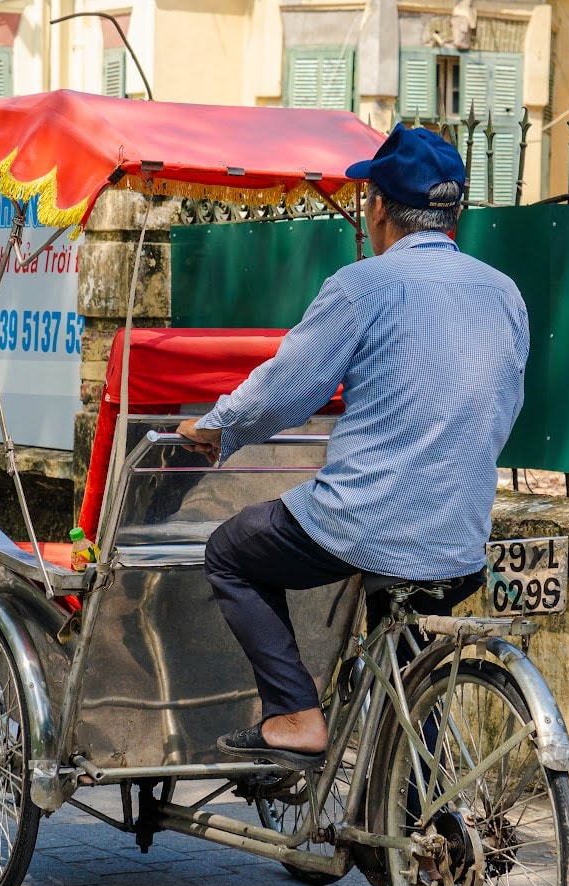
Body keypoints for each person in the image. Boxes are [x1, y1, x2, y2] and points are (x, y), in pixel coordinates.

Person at [175, 123, 530, 772]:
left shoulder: (363, 286)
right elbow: (500, 405)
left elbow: (282, 392)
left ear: (379, 209)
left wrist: (216, 428)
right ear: (454, 215)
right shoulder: (504, 294)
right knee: (407, 675)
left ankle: (294, 714)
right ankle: (405, 850)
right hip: (458, 532)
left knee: (229, 550)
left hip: (364, 523)